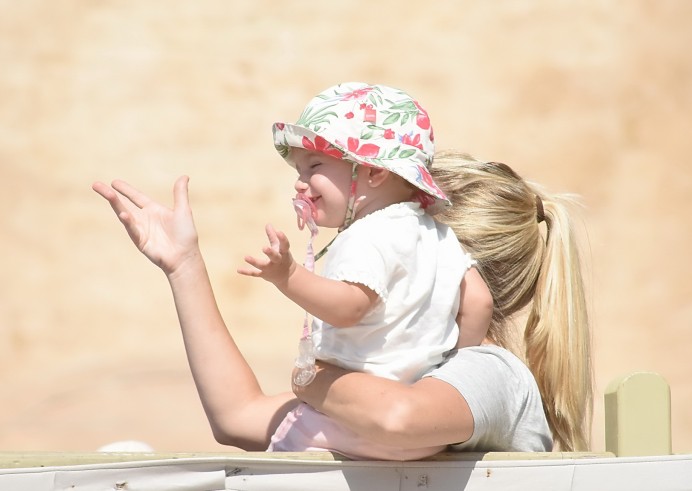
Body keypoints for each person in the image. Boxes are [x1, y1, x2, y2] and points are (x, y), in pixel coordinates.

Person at [92, 126, 592, 458]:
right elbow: (236, 416)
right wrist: (184, 266)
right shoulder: (404, 374)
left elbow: (396, 419)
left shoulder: (490, 370)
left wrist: (310, 379)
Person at [235, 82, 491, 459]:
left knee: (277, 458)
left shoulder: (366, 234)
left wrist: (288, 275)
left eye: (315, 166)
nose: (299, 180)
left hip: (347, 424)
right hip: (424, 430)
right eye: (299, 168)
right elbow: (480, 302)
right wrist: (447, 376)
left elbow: (349, 306)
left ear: (373, 173)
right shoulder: (438, 234)